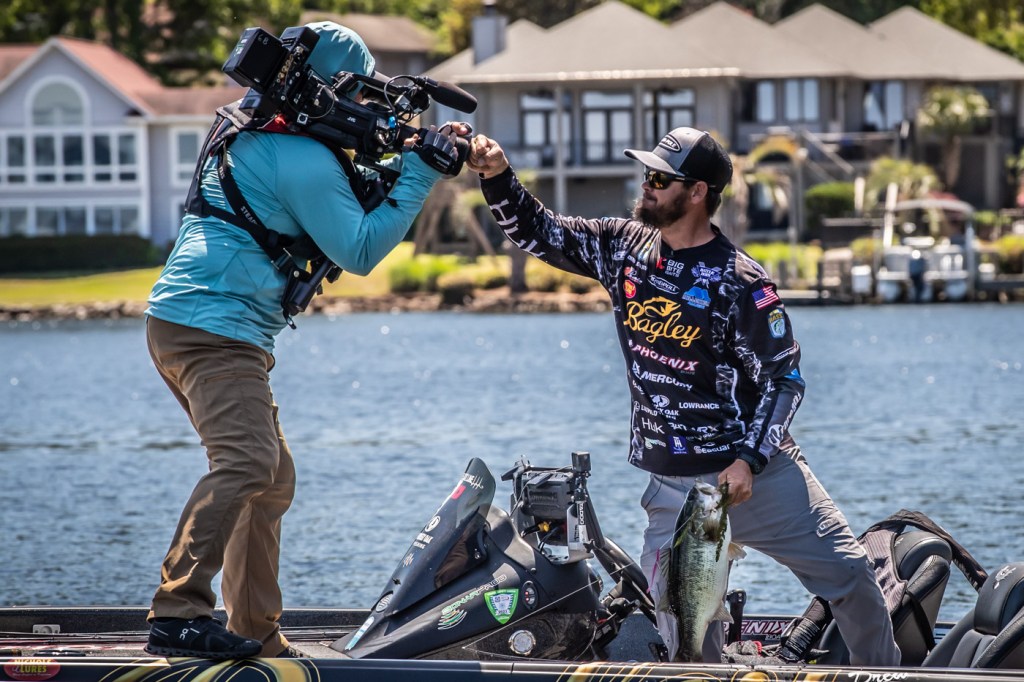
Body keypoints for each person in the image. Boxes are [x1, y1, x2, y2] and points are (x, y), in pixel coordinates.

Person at [466, 127, 900, 666]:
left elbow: (785, 379)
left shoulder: (741, 282)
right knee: (689, 636)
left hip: (756, 477)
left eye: (660, 179)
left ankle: (888, 678)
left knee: (852, 576)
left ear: (697, 192)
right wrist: (497, 174)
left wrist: (749, 460)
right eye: (647, 175)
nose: (646, 186)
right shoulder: (622, 247)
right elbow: (539, 231)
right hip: (674, 487)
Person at [143, 21, 470, 660]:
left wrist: (413, 153)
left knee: (270, 477)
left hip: (195, 322)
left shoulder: (262, 135)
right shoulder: (299, 157)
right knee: (248, 463)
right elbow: (360, 248)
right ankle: (178, 613)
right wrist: (419, 174)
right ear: (321, 90)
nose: (365, 109)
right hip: (213, 329)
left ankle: (253, 631)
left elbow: (345, 189)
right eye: (358, 93)